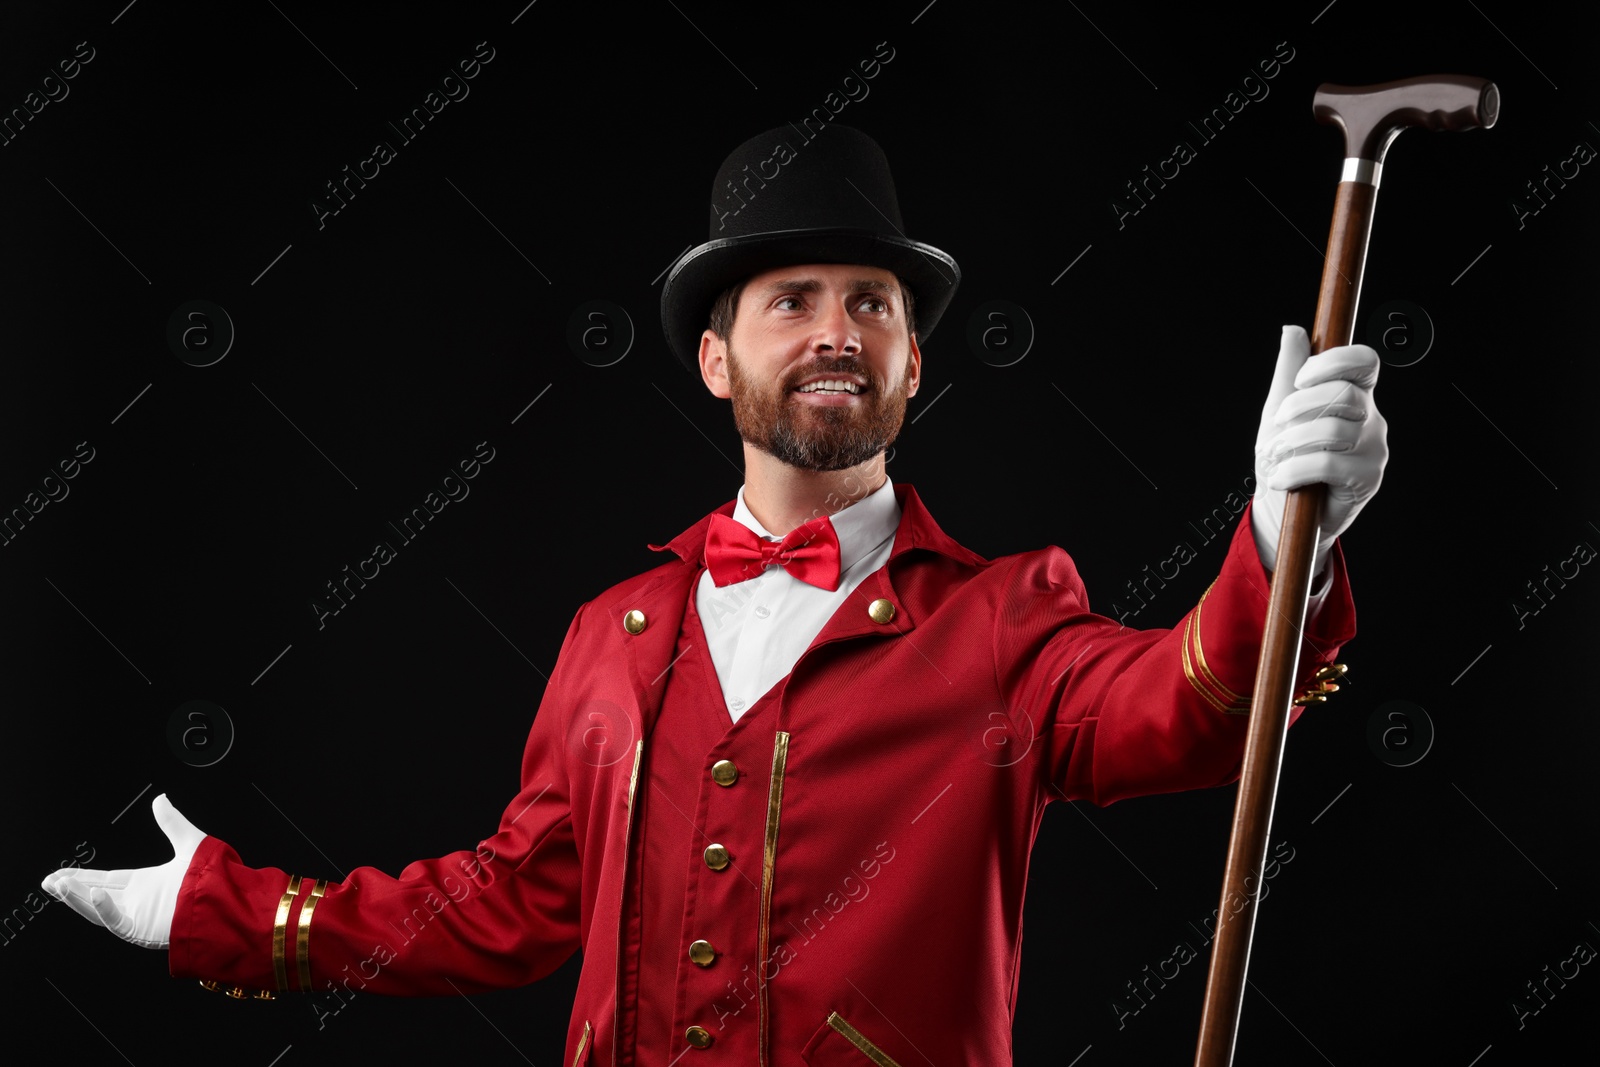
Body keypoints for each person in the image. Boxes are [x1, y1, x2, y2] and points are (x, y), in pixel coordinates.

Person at [41, 125, 1386, 1065]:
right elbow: (510, 907)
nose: (835, 332)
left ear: (914, 366)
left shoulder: (1008, 619)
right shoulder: (610, 640)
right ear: (713, 360)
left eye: (871, 305)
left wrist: (1282, 538)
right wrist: (235, 912)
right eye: (790, 300)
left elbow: (1195, 705)